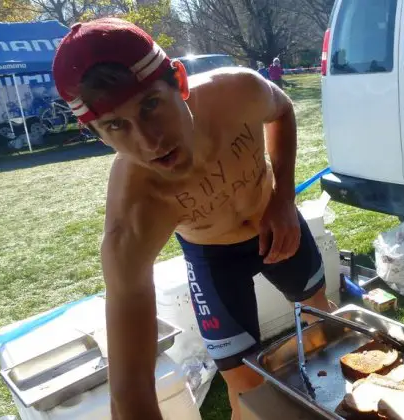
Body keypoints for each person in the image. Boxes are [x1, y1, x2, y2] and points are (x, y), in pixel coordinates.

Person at [52, 18, 332, 419]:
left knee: (325, 328)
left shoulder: (238, 91)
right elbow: (130, 391)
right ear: (96, 134)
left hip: (275, 222)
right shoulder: (133, 210)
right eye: (116, 125)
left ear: (179, 82)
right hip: (213, 260)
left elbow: (282, 110)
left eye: (151, 106)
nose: (150, 142)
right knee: (246, 392)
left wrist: (284, 199)